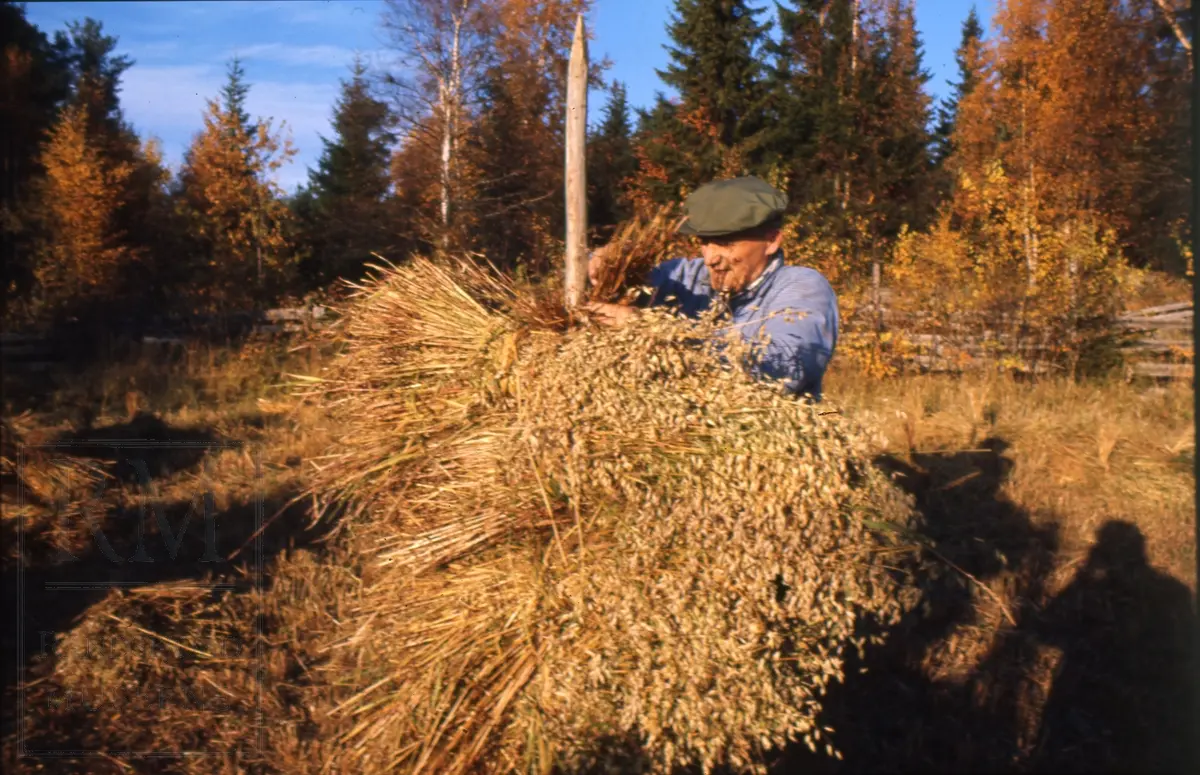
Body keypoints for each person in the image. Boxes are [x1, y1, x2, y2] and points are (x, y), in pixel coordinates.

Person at [583, 175, 839, 399]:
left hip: (779, 438)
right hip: (686, 435)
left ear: (770, 241)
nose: (710, 258)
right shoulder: (687, 277)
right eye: (705, 242)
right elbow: (596, 290)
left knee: (831, 414)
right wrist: (607, 261)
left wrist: (654, 330)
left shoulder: (803, 287)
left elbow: (784, 367)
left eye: (725, 242)